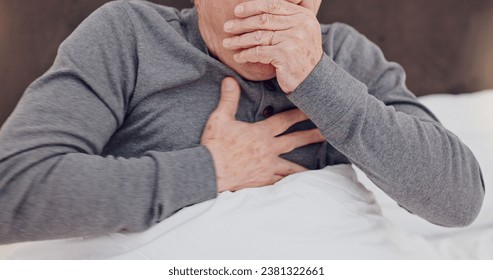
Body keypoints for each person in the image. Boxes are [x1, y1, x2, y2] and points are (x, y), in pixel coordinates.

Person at [0, 0, 484, 245]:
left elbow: (458, 202)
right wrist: (212, 170)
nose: (274, 9)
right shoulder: (130, 35)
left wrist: (317, 78)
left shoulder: (342, 53)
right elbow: (13, 192)